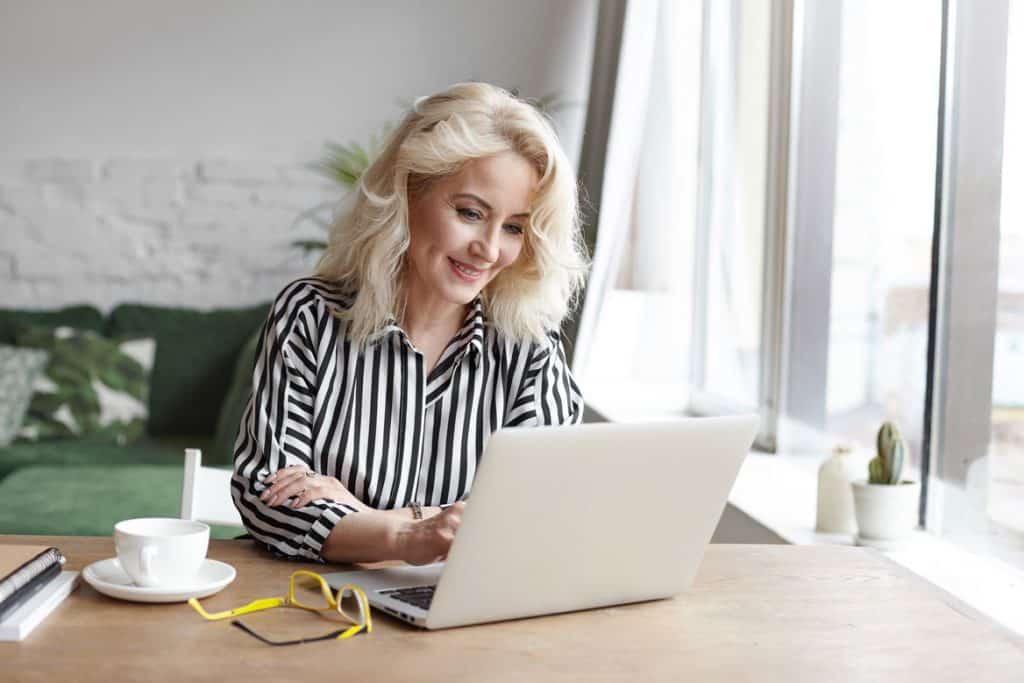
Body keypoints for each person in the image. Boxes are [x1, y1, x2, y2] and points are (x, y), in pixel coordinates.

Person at [231, 82, 589, 565]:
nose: (488, 248)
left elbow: (535, 523)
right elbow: (268, 498)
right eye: (470, 213)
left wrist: (361, 514)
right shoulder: (310, 316)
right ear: (407, 195)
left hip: (460, 618)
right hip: (316, 610)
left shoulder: (531, 352)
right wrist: (412, 538)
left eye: (513, 227)